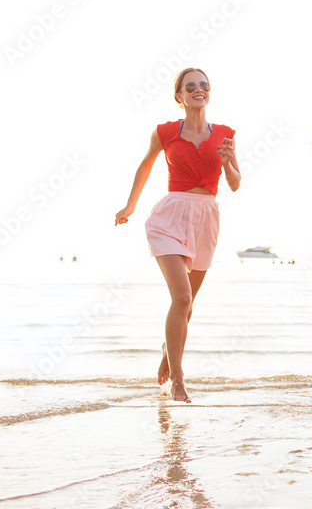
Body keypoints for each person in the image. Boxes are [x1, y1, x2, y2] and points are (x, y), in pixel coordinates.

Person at [115, 68, 240, 403]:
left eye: (204, 85)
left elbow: (235, 182)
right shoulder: (165, 132)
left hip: (206, 217)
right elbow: (145, 166)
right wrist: (129, 207)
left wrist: (229, 162)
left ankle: (167, 353)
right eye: (191, 86)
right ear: (179, 96)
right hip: (170, 217)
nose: (198, 89)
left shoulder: (226, 133)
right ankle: (179, 379)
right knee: (182, 298)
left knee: (187, 304)